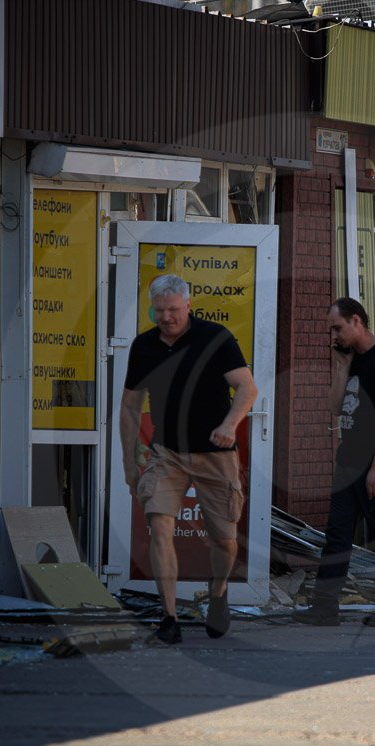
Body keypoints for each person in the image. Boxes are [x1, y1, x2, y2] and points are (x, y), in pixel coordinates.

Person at [120, 274, 258, 644]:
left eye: (174, 310)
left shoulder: (215, 337)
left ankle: (218, 590)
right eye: (160, 310)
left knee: (224, 540)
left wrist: (230, 424)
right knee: (159, 526)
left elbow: (247, 387)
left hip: (216, 454)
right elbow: (131, 406)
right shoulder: (144, 346)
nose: (166, 317)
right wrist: (129, 462)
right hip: (167, 453)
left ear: (188, 306)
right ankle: (169, 619)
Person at [293, 298, 375, 628]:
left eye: (337, 328)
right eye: (330, 329)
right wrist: (341, 369)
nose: (333, 335)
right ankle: (324, 608)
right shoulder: (354, 361)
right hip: (348, 463)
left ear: (357, 321)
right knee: (337, 536)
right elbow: (334, 407)